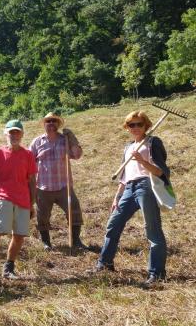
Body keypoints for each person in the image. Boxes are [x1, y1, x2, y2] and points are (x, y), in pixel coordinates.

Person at [93, 111, 169, 286]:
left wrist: (142, 161)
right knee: (113, 224)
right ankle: (105, 263)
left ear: (146, 125)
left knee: (153, 229)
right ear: (127, 128)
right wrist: (116, 197)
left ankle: (156, 273)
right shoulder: (128, 147)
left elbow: (161, 172)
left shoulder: (152, 142)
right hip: (128, 188)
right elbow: (125, 176)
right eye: (131, 125)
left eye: (139, 124)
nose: (135, 128)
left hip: (146, 187)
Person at [0, 120, 37, 284]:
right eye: (11, 132)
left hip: (23, 200)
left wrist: (32, 203)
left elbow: (31, 180)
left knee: (19, 235)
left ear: (22, 134)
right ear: (5, 133)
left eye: (17, 132)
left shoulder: (28, 154)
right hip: (3, 197)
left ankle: (8, 268)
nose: (14, 135)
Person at [29, 112, 87, 250]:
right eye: (48, 121)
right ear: (44, 124)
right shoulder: (37, 142)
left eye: (54, 121)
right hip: (43, 187)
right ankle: (46, 242)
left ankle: (76, 241)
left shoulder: (65, 140)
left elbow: (77, 155)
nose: (51, 124)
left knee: (74, 211)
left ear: (58, 124)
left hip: (63, 186)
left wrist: (72, 138)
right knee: (42, 216)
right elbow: (27, 162)